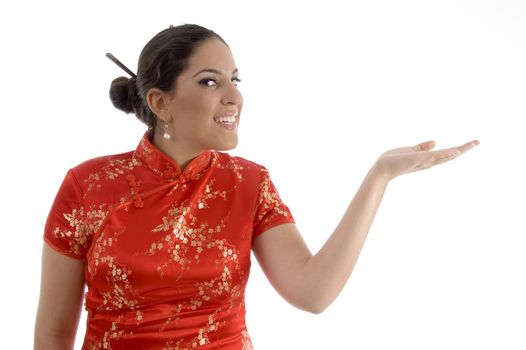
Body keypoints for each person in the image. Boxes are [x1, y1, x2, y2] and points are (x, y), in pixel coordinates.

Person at [34, 23, 480, 350]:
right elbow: (54, 333)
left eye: (235, 80)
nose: (234, 96)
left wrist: (379, 176)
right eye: (210, 80)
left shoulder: (248, 183)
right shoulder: (87, 185)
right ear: (159, 102)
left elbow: (312, 293)